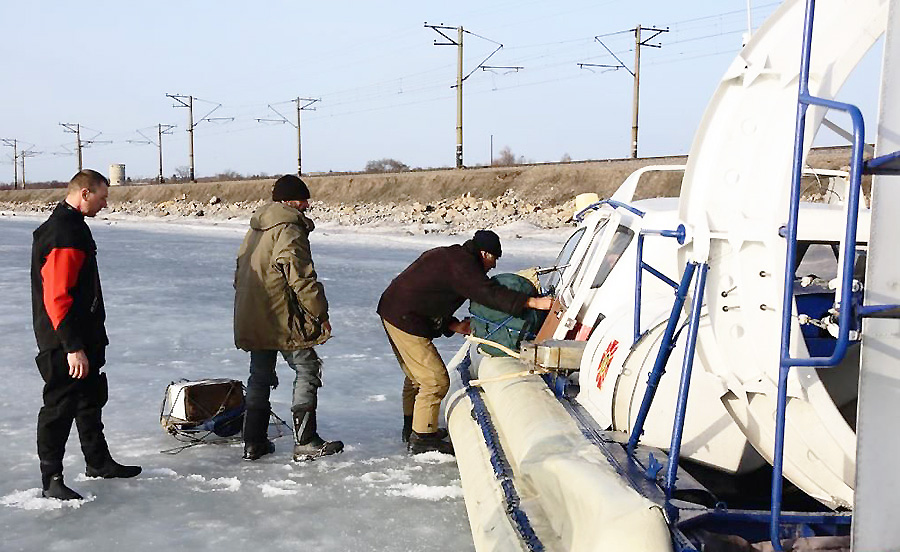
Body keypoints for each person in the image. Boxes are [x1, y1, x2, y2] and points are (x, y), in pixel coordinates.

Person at [377, 230, 553, 455]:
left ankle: (413, 427)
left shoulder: (454, 258)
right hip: (404, 318)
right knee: (434, 380)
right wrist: (533, 303)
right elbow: (487, 293)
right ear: (484, 253)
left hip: (397, 310)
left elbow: (430, 298)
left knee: (417, 376)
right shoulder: (463, 265)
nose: (494, 265)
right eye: (494, 258)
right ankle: (422, 438)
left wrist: (454, 326)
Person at [31, 169, 141, 500]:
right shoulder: (64, 232)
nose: (106, 204)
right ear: (85, 193)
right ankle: (51, 478)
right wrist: (72, 345)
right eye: (103, 197)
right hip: (65, 342)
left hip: (84, 335)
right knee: (60, 405)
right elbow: (57, 295)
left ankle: (98, 461)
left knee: (90, 398)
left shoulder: (73, 227)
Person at [234, 174, 343, 462]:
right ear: (290, 201)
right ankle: (305, 441)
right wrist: (320, 313)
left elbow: (239, 274)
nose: (307, 205)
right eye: (304, 199)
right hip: (280, 313)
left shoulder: (256, 228)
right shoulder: (288, 229)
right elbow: (302, 278)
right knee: (307, 368)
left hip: (252, 313)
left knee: (259, 375)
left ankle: (253, 442)